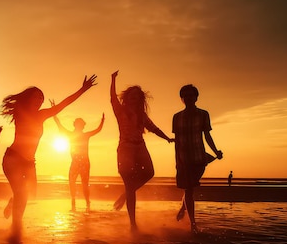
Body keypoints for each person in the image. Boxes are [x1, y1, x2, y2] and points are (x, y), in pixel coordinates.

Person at [1, 74, 98, 237]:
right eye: (36, 97)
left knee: (30, 192)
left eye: (41, 98)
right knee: (21, 193)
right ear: (28, 99)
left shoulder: (42, 115)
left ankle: (13, 204)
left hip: (29, 162)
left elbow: (63, 104)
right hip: (13, 158)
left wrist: (82, 89)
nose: (39, 100)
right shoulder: (20, 112)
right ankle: (16, 229)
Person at [110, 71, 174, 230]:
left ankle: (126, 193)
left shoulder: (141, 115)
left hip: (140, 147)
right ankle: (133, 224)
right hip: (125, 148)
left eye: (138, 97)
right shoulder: (120, 111)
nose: (135, 99)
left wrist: (167, 138)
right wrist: (112, 80)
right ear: (127, 98)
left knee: (149, 172)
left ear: (140, 100)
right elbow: (112, 98)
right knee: (129, 182)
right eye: (132, 96)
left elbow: (153, 128)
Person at [173, 84, 223, 233]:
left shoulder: (203, 114)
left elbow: (207, 135)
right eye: (185, 96)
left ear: (196, 97)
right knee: (189, 189)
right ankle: (193, 224)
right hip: (184, 158)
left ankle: (184, 207)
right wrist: (177, 160)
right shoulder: (177, 117)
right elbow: (177, 141)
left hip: (199, 157)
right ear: (182, 99)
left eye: (191, 95)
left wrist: (216, 151)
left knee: (191, 187)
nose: (188, 98)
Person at [52, 111, 104, 211]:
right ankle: (73, 201)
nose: (79, 126)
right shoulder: (71, 134)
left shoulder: (86, 135)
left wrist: (102, 121)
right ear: (75, 125)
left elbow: (97, 130)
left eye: (81, 125)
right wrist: (55, 116)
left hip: (84, 162)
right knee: (71, 181)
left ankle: (87, 202)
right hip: (75, 162)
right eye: (77, 124)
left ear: (83, 126)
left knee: (85, 183)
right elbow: (60, 127)